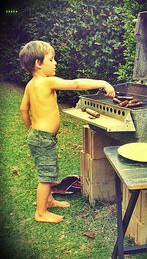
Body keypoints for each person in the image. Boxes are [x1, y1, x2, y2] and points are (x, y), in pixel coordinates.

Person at [19, 40, 115, 223]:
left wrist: (31, 128)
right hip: (43, 137)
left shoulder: (30, 85)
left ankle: (48, 200)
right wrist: (103, 83)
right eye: (51, 59)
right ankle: (41, 213)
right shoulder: (48, 82)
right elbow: (76, 84)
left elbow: (23, 109)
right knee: (46, 177)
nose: (55, 63)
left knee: (49, 170)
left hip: (39, 136)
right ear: (39, 63)